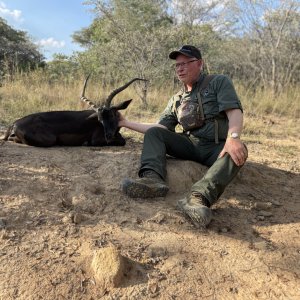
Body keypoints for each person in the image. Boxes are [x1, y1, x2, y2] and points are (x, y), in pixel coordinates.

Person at [118, 45, 248, 227]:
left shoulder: (218, 82)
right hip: (190, 145)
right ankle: (152, 181)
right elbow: (159, 128)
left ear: (200, 63)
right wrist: (125, 123)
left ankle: (198, 198)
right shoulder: (176, 99)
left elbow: (234, 111)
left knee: (238, 152)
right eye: (177, 65)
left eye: (186, 63)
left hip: (216, 148)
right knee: (155, 134)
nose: (180, 68)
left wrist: (233, 137)